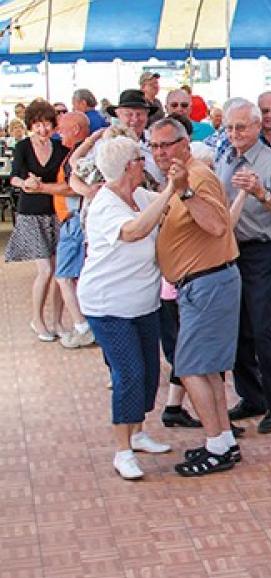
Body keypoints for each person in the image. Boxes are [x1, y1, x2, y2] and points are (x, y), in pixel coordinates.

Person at [146, 117, 246, 475]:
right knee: (207, 370)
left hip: (207, 284)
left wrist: (185, 191)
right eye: (155, 145)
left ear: (185, 144)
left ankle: (217, 445)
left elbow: (219, 225)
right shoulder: (177, 178)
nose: (160, 152)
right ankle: (223, 441)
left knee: (189, 367)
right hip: (200, 285)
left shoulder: (196, 177)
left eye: (167, 144)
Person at [76, 136, 175, 480]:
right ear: (126, 167)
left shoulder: (141, 196)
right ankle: (122, 450)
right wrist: (168, 192)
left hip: (143, 302)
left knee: (148, 372)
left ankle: (138, 431)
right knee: (129, 373)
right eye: (138, 158)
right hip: (108, 306)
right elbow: (135, 230)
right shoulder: (105, 204)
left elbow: (165, 207)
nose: (143, 161)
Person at [216, 98, 271, 434]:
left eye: (241, 127)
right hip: (232, 251)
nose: (234, 133)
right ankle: (252, 397)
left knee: (264, 329)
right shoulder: (225, 157)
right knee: (237, 330)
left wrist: (262, 193)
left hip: (265, 252)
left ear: (256, 127)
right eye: (230, 127)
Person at [6, 99, 69, 342]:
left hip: (56, 212)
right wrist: (25, 183)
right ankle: (37, 319)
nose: (43, 129)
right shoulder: (23, 146)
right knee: (45, 270)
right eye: (38, 125)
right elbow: (13, 177)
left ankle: (57, 321)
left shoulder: (61, 148)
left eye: (47, 124)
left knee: (59, 271)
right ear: (31, 125)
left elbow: (65, 180)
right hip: (30, 213)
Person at [49, 112, 93, 349]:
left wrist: (41, 188)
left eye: (61, 128)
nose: (58, 132)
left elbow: (72, 189)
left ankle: (82, 327)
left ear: (76, 129)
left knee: (64, 276)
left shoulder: (78, 157)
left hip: (74, 222)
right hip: (72, 221)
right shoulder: (76, 153)